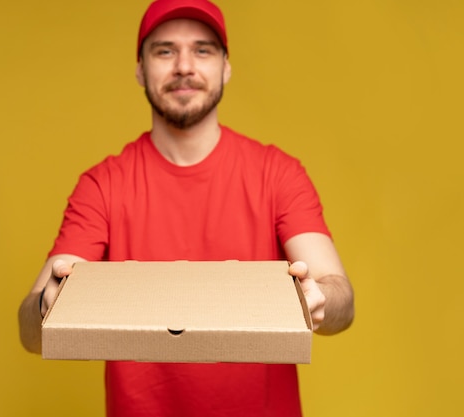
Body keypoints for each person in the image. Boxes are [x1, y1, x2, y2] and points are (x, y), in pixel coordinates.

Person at [18, 0, 354, 416]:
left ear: (226, 67)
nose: (183, 66)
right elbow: (31, 333)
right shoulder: (102, 185)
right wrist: (46, 306)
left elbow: (340, 298)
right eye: (164, 50)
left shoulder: (278, 173)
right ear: (140, 69)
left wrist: (319, 299)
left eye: (202, 50)